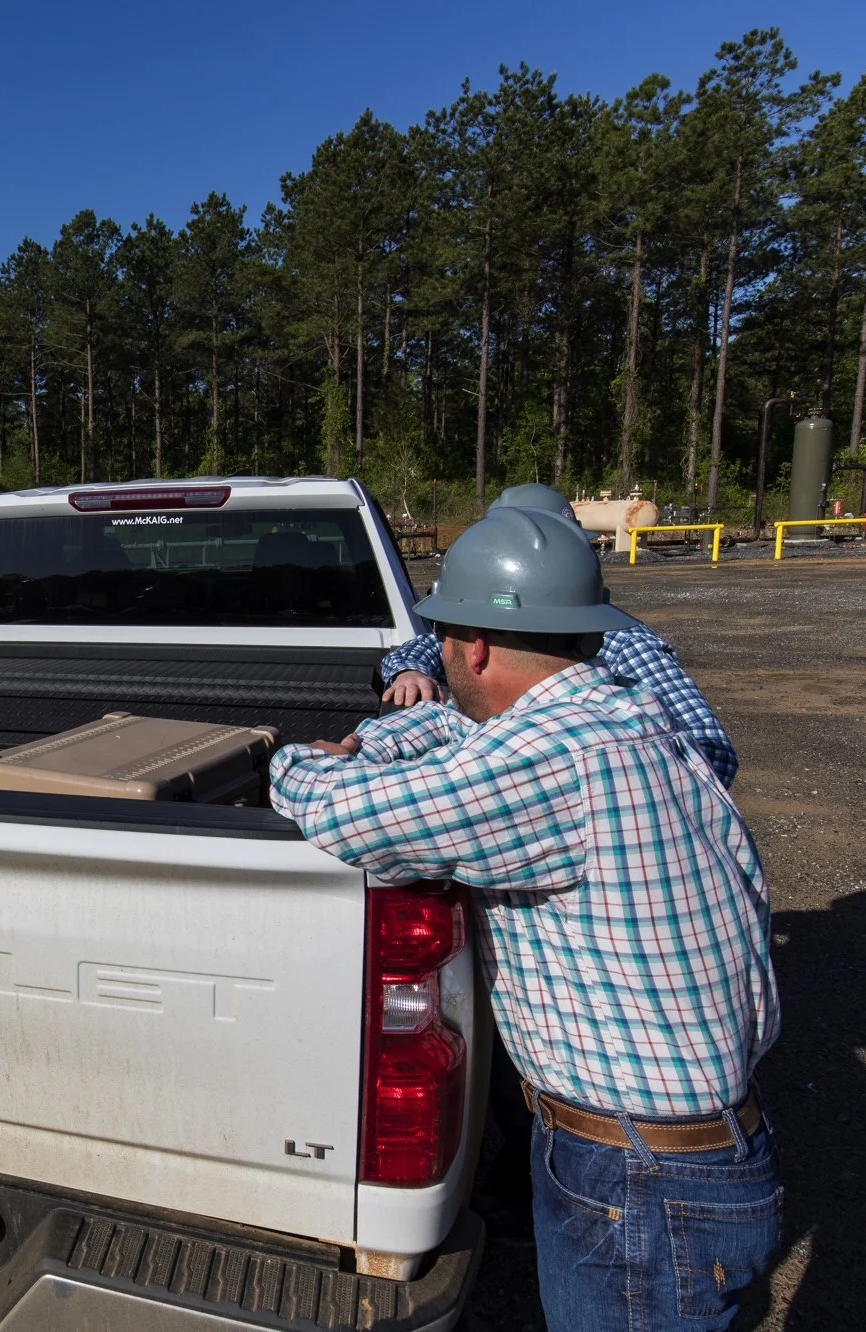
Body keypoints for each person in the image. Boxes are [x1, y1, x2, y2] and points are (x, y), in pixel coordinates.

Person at [269, 508, 781, 1332]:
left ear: (474, 648)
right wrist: (381, 738)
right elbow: (460, 729)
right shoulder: (619, 715)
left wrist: (290, 758)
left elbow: (352, 818)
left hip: (637, 1180)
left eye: (441, 639)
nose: (435, 655)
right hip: (681, 1150)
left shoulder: (556, 763)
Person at [381, 483, 738, 788]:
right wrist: (410, 670)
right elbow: (428, 645)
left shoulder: (627, 642)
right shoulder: (488, 626)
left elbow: (711, 753)